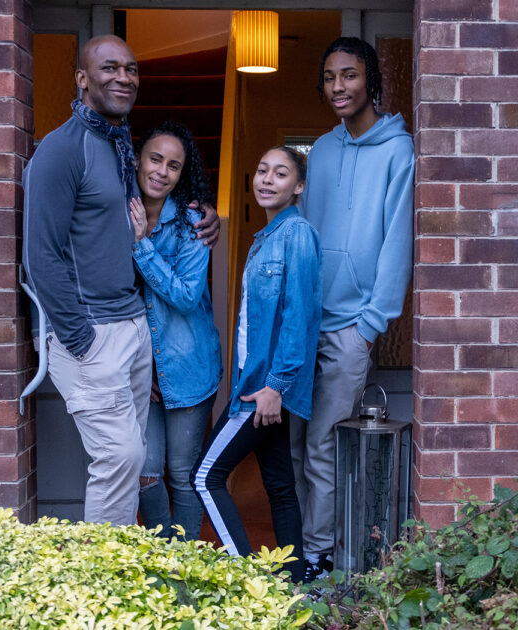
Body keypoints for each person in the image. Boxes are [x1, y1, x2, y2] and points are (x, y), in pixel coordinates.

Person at [21, 35, 219, 525]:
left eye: (131, 69)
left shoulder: (118, 145)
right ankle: (98, 585)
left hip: (132, 328)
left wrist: (206, 212)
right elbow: (40, 256)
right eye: (109, 68)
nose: (123, 77)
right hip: (91, 333)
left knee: (131, 467)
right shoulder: (61, 151)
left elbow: (137, 220)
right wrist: (79, 339)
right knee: (121, 459)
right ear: (82, 78)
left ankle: (127, 576)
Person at [293, 36, 414, 580]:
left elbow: (397, 242)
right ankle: (311, 547)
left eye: (348, 75)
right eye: (328, 77)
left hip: (350, 328)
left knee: (323, 443)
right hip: (306, 322)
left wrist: (371, 324)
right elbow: (306, 233)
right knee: (297, 445)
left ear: (371, 82)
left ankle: (322, 556)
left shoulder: (398, 151)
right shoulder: (321, 151)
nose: (338, 87)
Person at [192, 146, 321, 581]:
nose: (267, 179)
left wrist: (276, 387)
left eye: (280, 173)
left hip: (264, 391)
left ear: (298, 186)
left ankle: (246, 580)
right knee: (281, 488)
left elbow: (298, 317)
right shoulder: (264, 238)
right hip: (261, 386)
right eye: (262, 170)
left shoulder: (296, 234)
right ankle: (294, 588)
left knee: (204, 477)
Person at [129, 121, 221, 541]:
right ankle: (164, 558)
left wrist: (141, 246)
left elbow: (186, 296)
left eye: (174, 166)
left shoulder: (193, 225)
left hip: (188, 367)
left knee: (183, 475)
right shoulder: (112, 213)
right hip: (140, 371)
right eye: (155, 159)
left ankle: (185, 566)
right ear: (137, 159)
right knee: (146, 475)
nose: (162, 171)